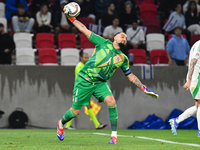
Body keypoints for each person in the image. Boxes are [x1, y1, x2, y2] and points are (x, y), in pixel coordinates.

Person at [57, 4, 159, 144]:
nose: (124, 39)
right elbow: (84, 29)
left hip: (100, 84)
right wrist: (72, 19)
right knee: (75, 112)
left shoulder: (123, 58)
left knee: (112, 102)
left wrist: (144, 88)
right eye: (122, 36)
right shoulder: (102, 43)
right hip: (84, 80)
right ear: (114, 38)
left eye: (125, 38)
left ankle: (114, 136)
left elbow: (131, 77)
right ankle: (61, 124)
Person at [66, 51, 107, 130]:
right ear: (81, 58)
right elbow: (82, 78)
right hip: (80, 90)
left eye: (87, 57)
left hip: (84, 90)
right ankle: (66, 124)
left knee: (87, 105)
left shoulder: (86, 66)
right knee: (75, 107)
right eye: (85, 57)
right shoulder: (79, 66)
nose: (87, 59)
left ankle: (97, 125)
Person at [169, 39, 200, 137]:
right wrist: (190, 80)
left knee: (197, 105)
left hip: (196, 77)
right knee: (199, 104)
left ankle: (176, 120)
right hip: (195, 78)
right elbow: (192, 62)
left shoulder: (196, 43)